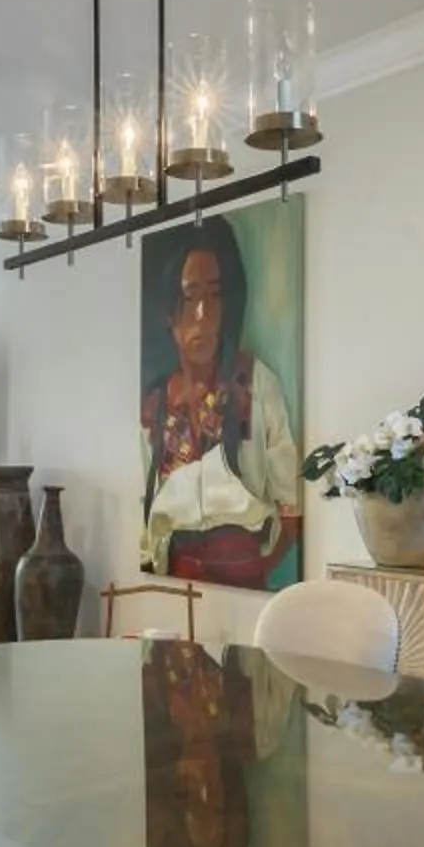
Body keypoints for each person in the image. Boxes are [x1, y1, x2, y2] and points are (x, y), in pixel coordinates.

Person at [139, 221, 301, 585]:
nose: (202, 314)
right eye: (189, 296)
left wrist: (260, 565)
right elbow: (144, 513)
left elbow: (291, 503)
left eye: (213, 296)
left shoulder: (256, 383)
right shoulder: (154, 407)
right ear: (168, 311)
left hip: (245, 575)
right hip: (175, 580)